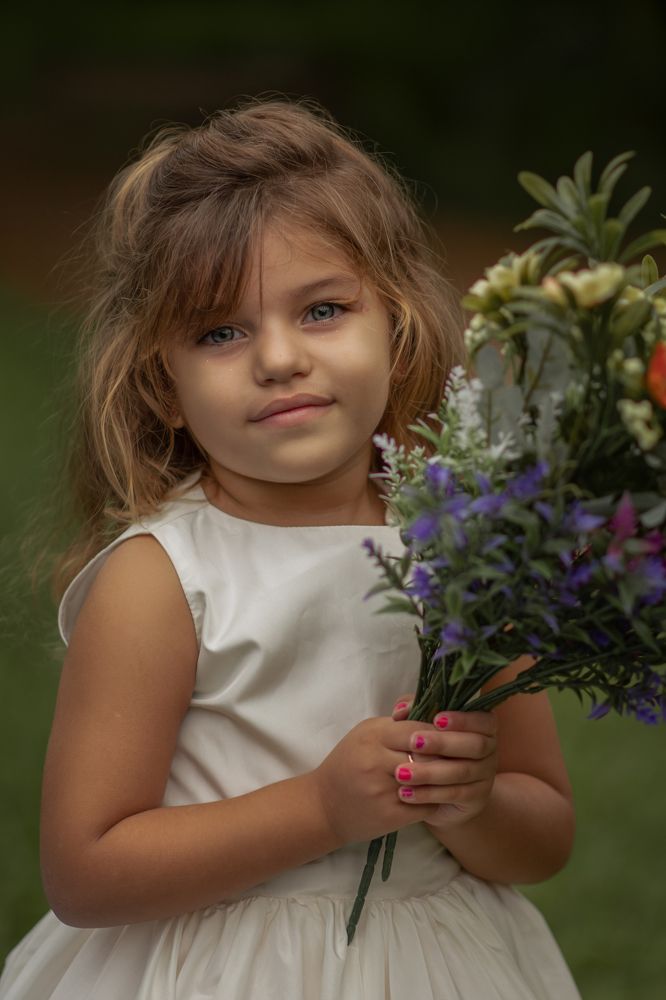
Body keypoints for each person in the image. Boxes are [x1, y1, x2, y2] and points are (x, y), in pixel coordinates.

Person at [0, 98, 580, 999]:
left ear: (397, 322)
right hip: (216, 969)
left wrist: (472, 800)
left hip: (436, 962)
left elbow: (543, 835)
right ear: (162, 383)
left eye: (322, 310)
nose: (277, 358)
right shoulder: (165, 578)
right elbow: (85, 871)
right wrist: (319, 808)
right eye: (220, 332)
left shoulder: (471, 549)